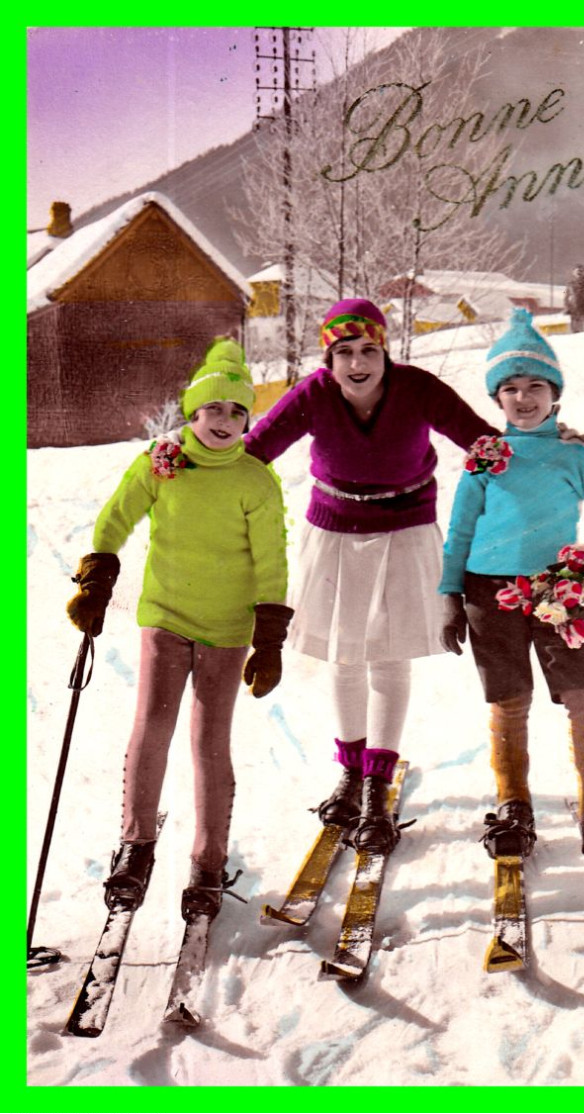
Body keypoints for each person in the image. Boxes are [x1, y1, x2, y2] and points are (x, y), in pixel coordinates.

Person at [243, 298, 500, 853]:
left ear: (385, 350)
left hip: (405, 530)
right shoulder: (313, 394)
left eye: (368, 350)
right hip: (334, 533)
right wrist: (186, 463)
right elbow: (254, 449)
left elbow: (482, 442)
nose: (357, 363)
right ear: (328, 359)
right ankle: (351, 772)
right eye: (344, 353)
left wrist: (546, 451)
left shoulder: (417, 387)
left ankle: (378, 787)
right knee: (344, 654)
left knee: (388, 655)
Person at [66, 339, 292, 920]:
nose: (223, 421)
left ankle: (209, 861)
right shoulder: (161, 463)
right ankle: (136, 848)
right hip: (166, 616)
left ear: (248, 420)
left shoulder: (255, 479)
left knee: (208, 739)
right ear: (192, 413)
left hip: (226, 625)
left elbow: (271, 560)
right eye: (212, 409)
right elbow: (116, 515)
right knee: (153, 724)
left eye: (236, 412)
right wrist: (98, 576)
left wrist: (268, 635)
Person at [439, 308, 584, 871]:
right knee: (508, 700)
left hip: (560, 593)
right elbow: (459, 533)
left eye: (535, 387)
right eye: (511, 389)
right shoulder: (484, 463)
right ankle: (513, 805)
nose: (523, 399)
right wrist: (450, 597)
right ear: (496, 398)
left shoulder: (578, 455)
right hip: (487, 593)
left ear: (555, 394)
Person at [564, 264, 584, 333]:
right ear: (573, 273)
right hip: (574, 311)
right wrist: (567, 308)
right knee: (575, 332)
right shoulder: (570, 284)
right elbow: (566, 297)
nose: (579, 273)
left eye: (581, 271)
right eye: (577, 271)